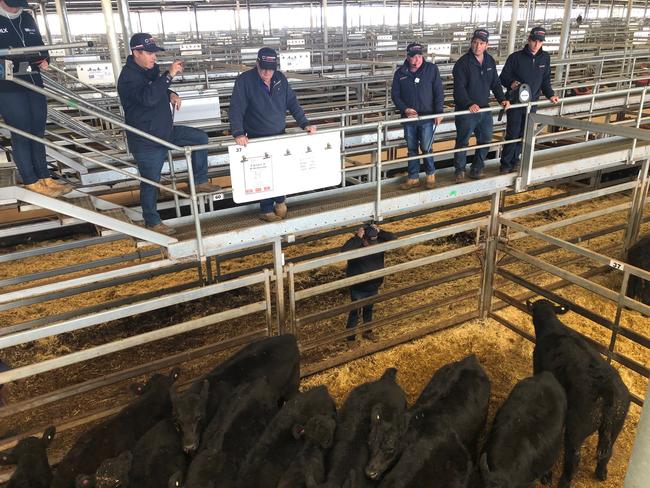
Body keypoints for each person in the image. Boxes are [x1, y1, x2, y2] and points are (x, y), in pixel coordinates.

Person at [117, 33, 220, 235]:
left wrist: (171, 93)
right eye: (149, 53)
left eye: (154, 53)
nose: (153, 57)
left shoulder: (148, 70)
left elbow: (158, 90)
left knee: (200, 138)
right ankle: (152, 221)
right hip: (146, 138)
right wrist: (169, 75)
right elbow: (147, 97)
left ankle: (199, 181)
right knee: (150, 180)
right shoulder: (128, 77)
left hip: (165, 130)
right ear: (135, 52)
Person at [228, 47, 316, 222]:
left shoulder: (280, 79)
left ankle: (280, 200)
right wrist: (238, 132)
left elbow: (292, 103)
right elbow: (235, 108)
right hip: (256, 136)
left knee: (280, 169)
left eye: (271, 68)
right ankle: (266, 209)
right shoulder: (245, 81)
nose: (267, 72)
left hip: (279, 134)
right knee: (264, 173)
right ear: (257, 64)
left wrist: (304, 123)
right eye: (264, 68)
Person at [0, 0, 72, 197]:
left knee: (38, 130)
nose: (17, 9)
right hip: (8, 87)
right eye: (12, 5)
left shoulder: (27, 18)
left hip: (33, 80)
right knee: (22, 132)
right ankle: (30, 180)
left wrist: (45, 58)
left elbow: (40, 45)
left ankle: (44, 176)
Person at [499, 26, 559, 174]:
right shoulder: (515, 57)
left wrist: (550, 94)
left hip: (532, 103)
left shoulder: (545, 58)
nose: (536, 44)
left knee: (525, 133)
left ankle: (516, 160)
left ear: (542, 43)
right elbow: (503, 78)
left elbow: (545, 79)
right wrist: (511, 82)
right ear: (529, 40)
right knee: (513, 132)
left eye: (540, 42)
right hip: (515, 102)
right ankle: (506, 163)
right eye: (534, 41)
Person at [452, 29, 510, 183]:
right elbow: (459, 88)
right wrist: (469, 103)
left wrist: (501, 99)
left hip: (484, 108)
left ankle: (477, 168)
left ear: (487, 45)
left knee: (485, 139)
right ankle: (459, 170)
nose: (477, 46)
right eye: (475, 42)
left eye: (481, 43)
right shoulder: (462, 63)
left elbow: (495, 83)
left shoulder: (490, 61)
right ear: (471, 43)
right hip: (466, 110)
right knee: (463, 140)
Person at [391, 42, 444, 190]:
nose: (417, 60)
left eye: (420, 56)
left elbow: (438, 91)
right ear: (408, 57)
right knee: (412, 148)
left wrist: (439, 111)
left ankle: (430, 175)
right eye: (414, 57)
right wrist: (405, 109)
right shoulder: (400, 73)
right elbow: (395, 95)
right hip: (409, 118)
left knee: (427, 147)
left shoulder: (431, 69)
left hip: (427, 116)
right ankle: (413, 177)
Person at [342, 224, 396, 343]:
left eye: (375, 240)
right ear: (364, 238)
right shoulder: (356, 245)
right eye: (370, 241)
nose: (373, 244)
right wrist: (357, 237)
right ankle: (350, 338)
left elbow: (393, 237)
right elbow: (343, 251)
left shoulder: (378, 240)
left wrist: (380, 231)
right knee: (355, 311)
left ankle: (367, 331)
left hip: (373, 284)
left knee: (368, 309)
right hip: (358, 286)